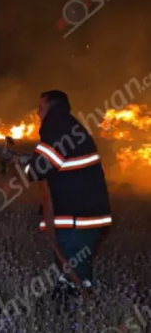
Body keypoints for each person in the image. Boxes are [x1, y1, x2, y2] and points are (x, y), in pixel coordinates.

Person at [20, 90, 112, 298]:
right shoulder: (69, 126)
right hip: (83, 211)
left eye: (41, 108)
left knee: (74, 269)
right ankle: (68, 300)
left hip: (78, 216)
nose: (37, 113)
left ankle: (78, 304)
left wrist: (26, 167)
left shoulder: (58, 128)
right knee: (68, 267)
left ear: (52, 108)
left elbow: (39, 169)